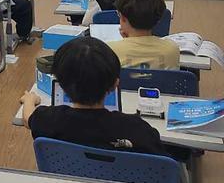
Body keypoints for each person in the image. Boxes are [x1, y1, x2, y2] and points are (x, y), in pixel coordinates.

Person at [20, 37, 166, 156]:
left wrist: (29, 100)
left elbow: (28, 118)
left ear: (61, 85)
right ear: (115, 85)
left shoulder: (49, 119)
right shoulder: (137, 128)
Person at [107, 0, 180, 69]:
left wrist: (126, 41)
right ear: (158, 19)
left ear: (123, 17)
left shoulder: (110, 51)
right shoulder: (172, 49)